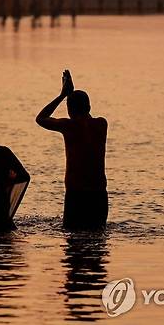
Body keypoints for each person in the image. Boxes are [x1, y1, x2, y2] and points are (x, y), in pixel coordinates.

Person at [36, 70, 108, 229]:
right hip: (99, 192)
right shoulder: (102, 124)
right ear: (89, 107)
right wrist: (73, 96)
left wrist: (63, 95)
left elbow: (40, 119)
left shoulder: (68, 126)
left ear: (69, 109)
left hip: (76, 193)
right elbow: (86, 117)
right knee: (98, 240)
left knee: (73, 240)